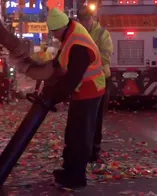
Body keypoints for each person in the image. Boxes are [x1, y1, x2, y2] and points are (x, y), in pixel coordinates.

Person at [39, 8, 105, 188]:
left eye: (54, 32)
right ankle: (69, 169)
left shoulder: (78, 44)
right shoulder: (72, 32)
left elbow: (71, 79)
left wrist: (53, 97)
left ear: (60, 28)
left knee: (80, 135)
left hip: (90, 90)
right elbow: (61, 62)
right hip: (82, 90)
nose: (54, 35)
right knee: (72, 132)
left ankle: (77, 176)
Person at [77, 6, 114, 162]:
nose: (84, 22)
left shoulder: (101, 34)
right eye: (82, 20)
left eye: (86, 19)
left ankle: (95, 149)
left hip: (100, 80)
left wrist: (88, 58)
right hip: (83, 81)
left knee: (96, 117)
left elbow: (106, 56)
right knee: (84, 117)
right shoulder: (79, 33)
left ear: (92, 18)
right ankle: (84, 148)